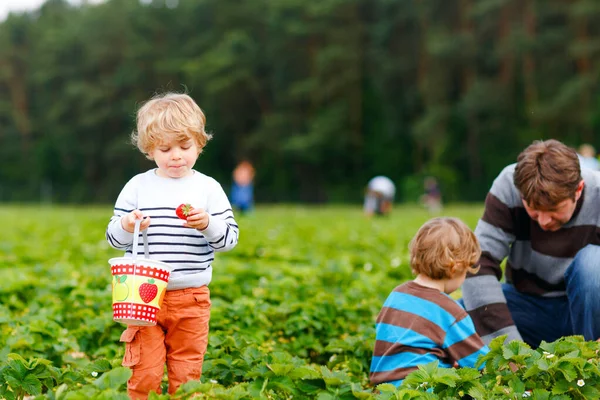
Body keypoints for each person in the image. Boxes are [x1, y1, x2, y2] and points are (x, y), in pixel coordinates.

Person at [105, 92, 239, 399]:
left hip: (192, 297)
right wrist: (127, 225)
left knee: (187, 370)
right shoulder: (137, 186)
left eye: (184, 146)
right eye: (164, 148)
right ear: (149, 150)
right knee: (144, 372)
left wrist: (207, 223)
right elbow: (114, 238)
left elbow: (229, 239)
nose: (175, 155)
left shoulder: (208, 189)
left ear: (199, 143)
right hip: (142, 295)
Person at [462, 139, 600, 348]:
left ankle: (592, 359)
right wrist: (512, 350)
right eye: (533, 208)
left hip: (587, 315)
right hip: (529, 307)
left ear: (578, 189)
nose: (544, 221)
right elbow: (478, 264)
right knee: (457, 315)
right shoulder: (509, 185)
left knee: (593, 265)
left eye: (555, 209)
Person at [370, 217, 489, 387]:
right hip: (423, 393)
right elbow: (480, 362)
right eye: (467, 271)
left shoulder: (396, 295)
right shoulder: (449, 310)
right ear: (455, 266)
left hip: (384, 392)